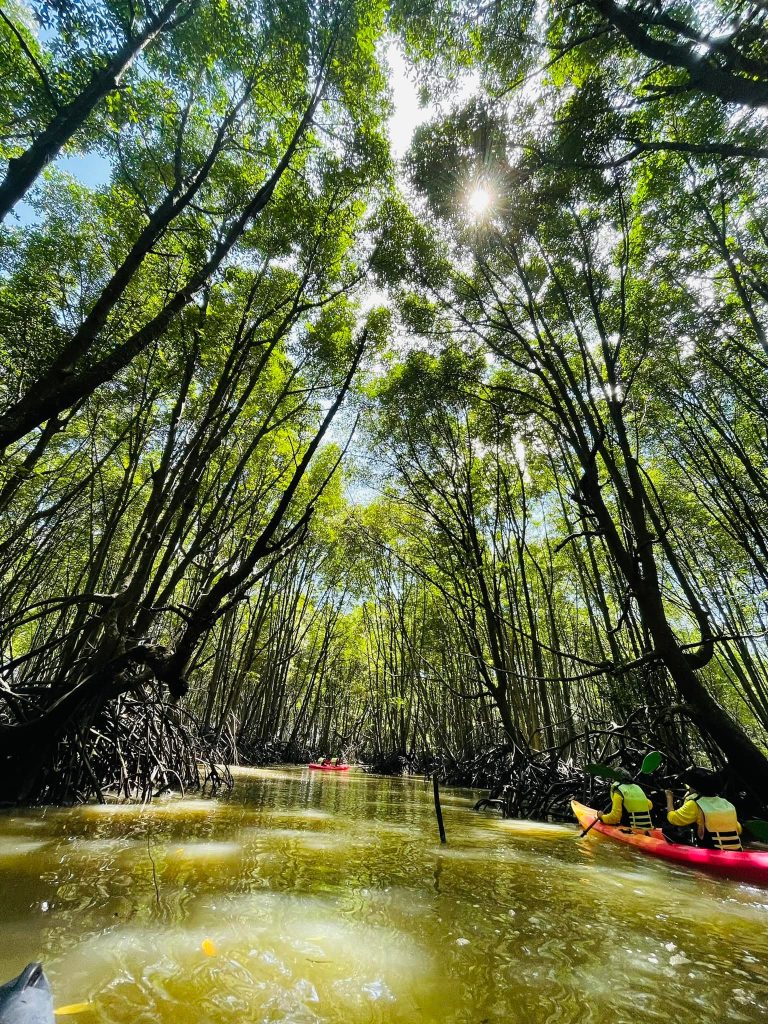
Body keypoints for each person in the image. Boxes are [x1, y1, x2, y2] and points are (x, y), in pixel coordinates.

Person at [664, 767, 742, 850]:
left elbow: (673, 818)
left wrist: (669, 798)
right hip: (737, 850)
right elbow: (739, 829)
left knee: (666, 830)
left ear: (695, 788)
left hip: (714, 851)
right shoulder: (727, 803)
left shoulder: (695, 804)